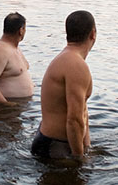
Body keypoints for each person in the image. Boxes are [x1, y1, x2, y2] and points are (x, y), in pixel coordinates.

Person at [31, 10, 96, 159]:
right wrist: (79, 159)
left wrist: (87, 147)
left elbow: (82, 112)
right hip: (55, 147)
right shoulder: (76, 65)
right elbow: (74, 119)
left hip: (52, 143)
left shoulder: (68, 59)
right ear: (93, 33)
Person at [0, 12, 34, 104]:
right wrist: (6, 104)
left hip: (22, 106)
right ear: (21, 30)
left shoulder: (15, 48)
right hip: (6, 110)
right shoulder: (0, 50)